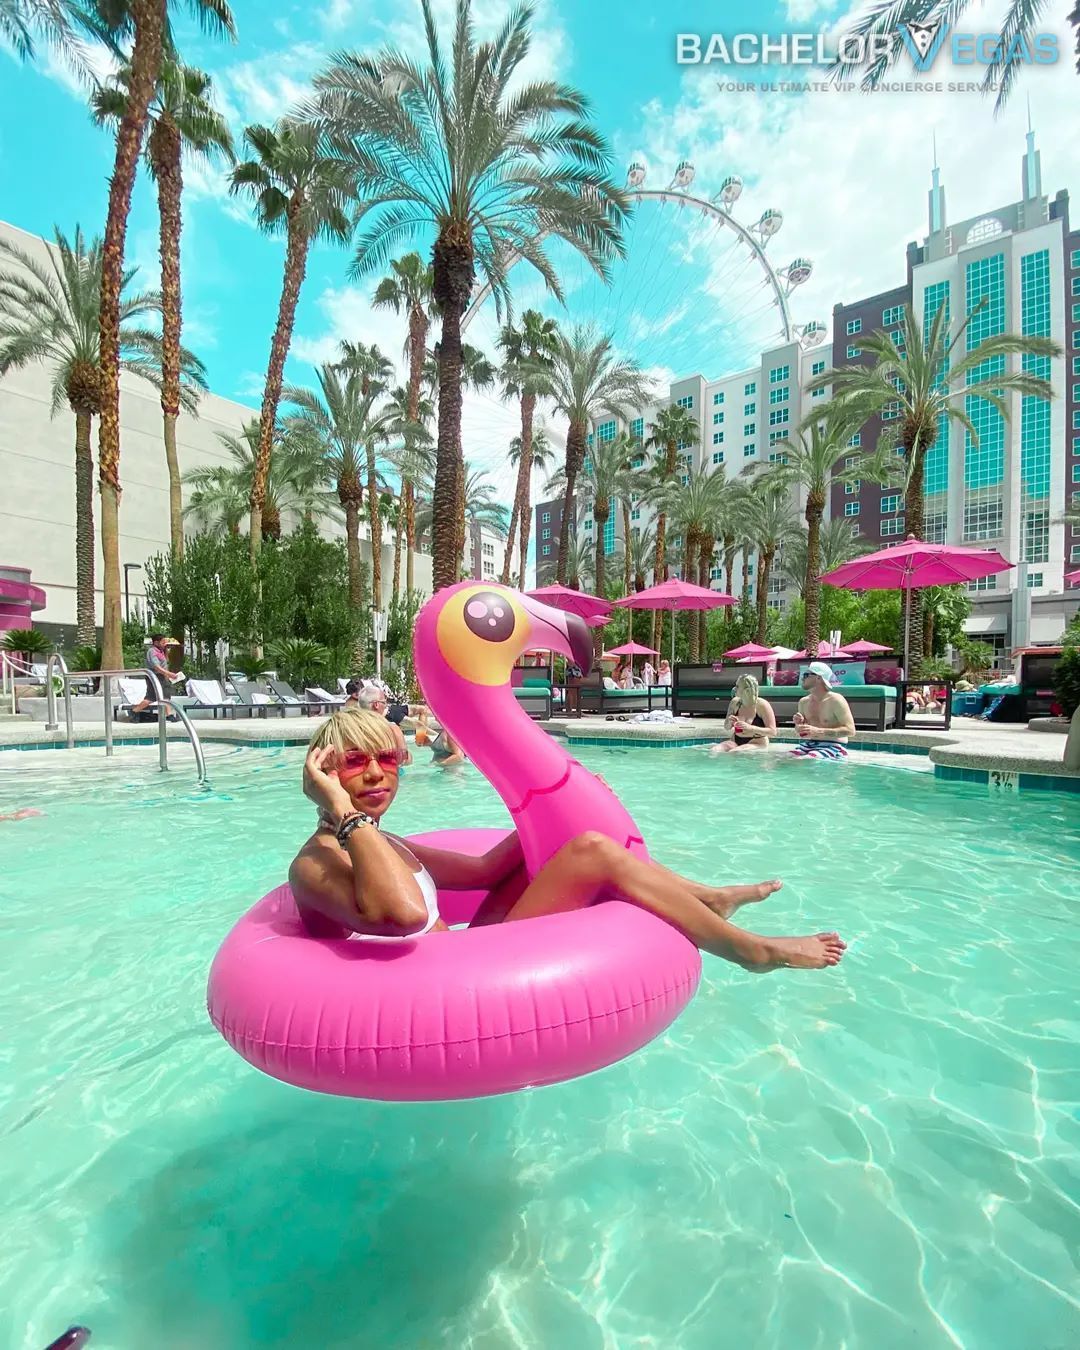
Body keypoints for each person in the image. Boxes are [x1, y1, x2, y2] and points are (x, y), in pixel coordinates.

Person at [289, 709, 846, 971]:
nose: (376, 773)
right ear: (325, 772)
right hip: (445, 982)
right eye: (354, 761)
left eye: (387, 759)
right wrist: (341, 811)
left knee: (570, 836)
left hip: (461, 952)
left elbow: (484, 873)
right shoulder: (315, 864)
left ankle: (707, 897)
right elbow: (404, 916)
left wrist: (561, 810)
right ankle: (748, 949)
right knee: (592, 853)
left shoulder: (384, 840)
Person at [791, 662, 856, 759]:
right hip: (810, 744)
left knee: (807, 759)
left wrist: (819, 731)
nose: (802, 678)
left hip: (835, 746)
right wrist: (799, 726)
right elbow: (802, 734)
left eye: (806, 675)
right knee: (785, 758)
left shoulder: (835, 700)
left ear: (818, 677)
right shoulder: (803, 702)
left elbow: (850, 731)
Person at [711, 673, 776, 753]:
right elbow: (727, 727)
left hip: (756, 742)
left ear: (747, 690)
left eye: (738, 686)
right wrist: (729, 722)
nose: (735, 688)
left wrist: (751, 728)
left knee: (735, 751)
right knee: (715, 750)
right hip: (736, 740)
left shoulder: (762, 705)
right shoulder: (735, 703)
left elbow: (773, 732)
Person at [355, 684, 412, 764]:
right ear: (376, 705)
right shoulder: (392, 729)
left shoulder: (352, 728)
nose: (386, 706)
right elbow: (405, 760)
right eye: (384, 702)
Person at [129, 633, 183, 718]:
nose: (164, 644)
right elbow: (156, 667)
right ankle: (134, 711)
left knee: (164, 695)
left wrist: (167, 650)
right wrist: (169, 674)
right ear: (156, 642)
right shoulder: (152, 651)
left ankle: (169, 715)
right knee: (153, 697)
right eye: (163, 642)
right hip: (155, 676)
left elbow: (165, 663)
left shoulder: (161, 651)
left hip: (162, 677)